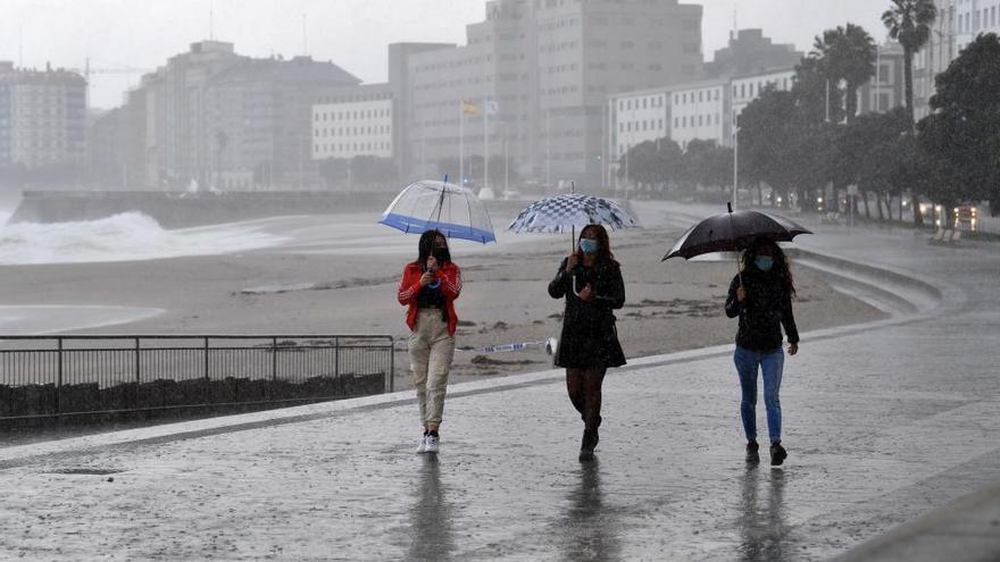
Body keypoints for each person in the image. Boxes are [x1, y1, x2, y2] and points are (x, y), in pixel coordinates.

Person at [548, 224, 626, 461]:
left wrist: (595, 298)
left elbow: (619, 299)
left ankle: (589, 436)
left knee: (592, 387)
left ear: (601, 242)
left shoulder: (610, 268)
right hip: (573, 333)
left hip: (599, 334)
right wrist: (566, 272)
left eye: (593, 238)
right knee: (574, 390)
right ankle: (592, 419)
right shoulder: (571, 262)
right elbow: (554, 291)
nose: (587, 241)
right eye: (585, 237)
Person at [725, 236, 799, 466]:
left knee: (771, 397)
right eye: (761, 257)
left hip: (772, 349)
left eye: (768, 257)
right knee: (749, 399)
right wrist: (738, 300)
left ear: (775, 258)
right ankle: (752, 443)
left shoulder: (779, 281)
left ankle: (776, 444)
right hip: (746, 348)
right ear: (753, 258)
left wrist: (793, 337)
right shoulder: (741, 280)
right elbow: (729, 311)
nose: (764, 261)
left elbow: (786, 312)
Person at [397, 230, 462, 454]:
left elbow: (454, 292)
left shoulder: (451, 269)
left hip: (442, 327)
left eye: (442, 244)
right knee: (421, 383)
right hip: (419, 326)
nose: (440, 248)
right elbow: (402, 297)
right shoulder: (412, 269)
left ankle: (434, 432)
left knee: (437, 380)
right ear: (425, 246)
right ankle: (425, 429)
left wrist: (438, 275)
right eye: (435, 244)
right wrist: (420, 282)